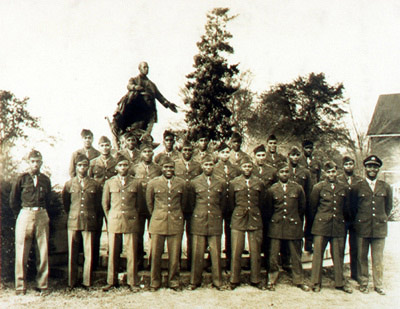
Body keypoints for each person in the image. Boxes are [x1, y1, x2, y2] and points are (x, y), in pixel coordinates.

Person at [10, 150, 52, 296]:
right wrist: (20, 215)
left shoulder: (46, 180)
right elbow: (13, 200)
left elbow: (49, 200)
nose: (35, 164)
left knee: (43, 250)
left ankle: (43, 285)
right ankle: (20, 286)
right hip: (25, 214)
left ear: (41, 162)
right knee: (22, 250)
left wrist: (44, 214)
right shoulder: (21, 179)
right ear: (28, 162)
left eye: (38, 161)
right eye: (33, 161)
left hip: (41, 214)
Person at [350, 155, 392, 295]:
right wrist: (359, 221)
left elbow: (388, 207)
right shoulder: (357, 187)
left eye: (375, 167)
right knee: (362, 257)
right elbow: (353, 208)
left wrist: (381, 218)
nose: (372, 169)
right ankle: (363, 282)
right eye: (369, 166)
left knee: (378, 258)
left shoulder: (385, 187)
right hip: (362, 227)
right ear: (365, 168)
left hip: (379, 228)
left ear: (378, 169)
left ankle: (378, 284)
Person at [265, 161, 310, 292]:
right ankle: (271, 280)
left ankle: (299, 280)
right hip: (276, 226)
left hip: (292, 226)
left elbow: (302, 207)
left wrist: (295, 219)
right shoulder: (272, 189)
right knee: (273, 255)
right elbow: (268, 210)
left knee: (295, 255)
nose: (284, 174)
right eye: (282, 172)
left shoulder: (297, 188)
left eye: (286, 172)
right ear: (278, 174)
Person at [309, 161, 353, 293]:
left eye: (333, 171)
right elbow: (312, 209)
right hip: (321, 226)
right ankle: (316, 282)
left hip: (338, 225)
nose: (331, 174)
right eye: (328, 172)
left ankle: (340, 282)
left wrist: (344, 223)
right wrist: (312, 227)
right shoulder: (318, 187)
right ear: (324, 173)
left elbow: (347, 208)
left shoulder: (344, 187)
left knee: (338, 255)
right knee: (318, 255)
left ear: (337, 171)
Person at [146, 157, 188, 291]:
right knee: (156, 254)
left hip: (175, 222)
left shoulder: (181, 183)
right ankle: (155, 282)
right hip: (158, 222)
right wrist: (158, 214)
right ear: (161, 168)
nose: (169, 170)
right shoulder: (153, 183)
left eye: (171, 167)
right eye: (166, 167)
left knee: (175, 255)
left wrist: (176, 215)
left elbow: (184, 203)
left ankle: (173, 281)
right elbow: (150, 203)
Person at [102, 155, 142, 292]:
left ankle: (132, 281)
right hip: (114, 220)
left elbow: (139, 204)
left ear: (129, 166)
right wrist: (111, 217)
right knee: (113, 251)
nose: (123, 168)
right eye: (120, 165)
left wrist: (133, 215)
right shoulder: (109, 182)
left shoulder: (136, 183)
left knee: (131, 252)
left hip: (131, 220)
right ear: (116, 167)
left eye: (125, 165)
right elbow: (105, 204)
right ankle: (111, 281)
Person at [62, 154, 102, 290]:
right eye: (80, 165)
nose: (82, 168)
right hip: (74, 221)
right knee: (72, 252)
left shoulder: (95, 184)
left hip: (88, 221)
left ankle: (87, 281)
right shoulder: (69, 184)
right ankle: (71, 282)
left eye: (85, 165)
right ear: (76, 167)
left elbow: (98, 205)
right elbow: (66, 203)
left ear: (88, 167)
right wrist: (72, 214)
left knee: (88, 252)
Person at [187, 155, 225, 290]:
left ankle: (218, 281)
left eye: (211, 165)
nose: (208, 167)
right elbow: (191, 203)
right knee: (197, 252)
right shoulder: (194, 182)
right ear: (202, 166)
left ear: (214, 166)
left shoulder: (220, 182)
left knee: (215, 252)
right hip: (199, 220)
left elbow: (223, 203)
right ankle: (194, 281)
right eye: (206, 165)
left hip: (214, 220)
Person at [228, 156, 265, 290]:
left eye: (249, 166)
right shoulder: (234, 183)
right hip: (238, 218)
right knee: (237, 249)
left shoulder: (259, 183)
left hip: (254, 218)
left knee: (255, 250)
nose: (247, 169)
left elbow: (262, 202)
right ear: (241, 168)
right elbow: (231, 203)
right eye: (245, 166)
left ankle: (256, 279)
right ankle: (234, 279)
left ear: (252, 167)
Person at [88, 136, 118, 270]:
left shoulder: (116, 161)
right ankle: (93, 263)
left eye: (107, 145)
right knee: (95, 230)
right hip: (97, 201)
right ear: (99, 147)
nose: (105, 148)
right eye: (102, 145)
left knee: (114, 230)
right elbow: (89, 181)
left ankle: (114, 262)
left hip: (113, 200)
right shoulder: (93, 163)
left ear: (110, 146)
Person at [132, 142, 162, 269]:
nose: (147, 154)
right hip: (139, 205)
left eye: (150, 151)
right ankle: (138, 262)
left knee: (154, 234)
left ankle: (152, 262)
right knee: (137, 234)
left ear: (153, 153)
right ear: (141, 153)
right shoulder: (135, 168)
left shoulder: (158, 169)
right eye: (145, 152)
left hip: (154, 206)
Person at [174, 139, 203, 270]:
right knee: (177, 235)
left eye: (189, 150)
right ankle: (177, 263)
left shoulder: (198, 166)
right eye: (185, 150)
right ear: (181, 151)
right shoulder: (175, 165)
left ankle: (192, 264)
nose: (187, 152)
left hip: (193, 205)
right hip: (178, 205)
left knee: (192, 235)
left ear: (193, 152)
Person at [127, 61, 177, 132]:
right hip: (137, 110)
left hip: (149, 111)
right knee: (135, 130)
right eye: (144, 67)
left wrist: (168, 103)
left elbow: (159, 96)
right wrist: (135, 87)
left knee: (146, 132)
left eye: (147, 67)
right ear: (140, 69)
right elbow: (129, 86)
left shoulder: (151, 84)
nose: (146, 69)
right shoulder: (134, 80)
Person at [213, 142, 241, 268]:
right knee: (216, 233)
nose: (225, 155)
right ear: (218, 154)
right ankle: (214, 260)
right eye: (223, 152)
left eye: (227, 152)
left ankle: (230, 259)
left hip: (232, 205)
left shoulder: (235, 169)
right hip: (218, 204)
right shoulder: (213, 168)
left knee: (230, 232)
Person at [337, 155, 362, 281]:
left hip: (355, 218)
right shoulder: (338, 180)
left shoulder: (359, 181)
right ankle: (339, 274)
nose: (349, 166)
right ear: (343, 166)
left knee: (355, 246)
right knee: (340, 247)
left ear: (354, 165)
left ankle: (355, 273)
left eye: (351, 164)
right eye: (346, 164)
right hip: (342, 218)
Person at [287, 146, 313, 253]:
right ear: (288, 156)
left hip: (300, 205)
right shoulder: (284, 170)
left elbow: (309, 189)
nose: (295, 157)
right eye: (293, 155)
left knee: (300, 226)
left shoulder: (305, 172)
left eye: (297, 155)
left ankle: (300, 248)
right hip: (287, 203)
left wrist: (306, 204)